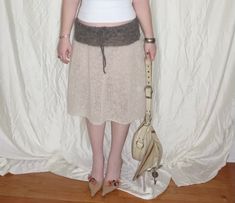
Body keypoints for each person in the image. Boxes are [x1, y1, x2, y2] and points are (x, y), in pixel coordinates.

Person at [57, 0, 156, 197]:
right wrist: (64, 36)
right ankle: (97, 161)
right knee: (93, 103)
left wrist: (150, 38)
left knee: (122, 102)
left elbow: (141, 1)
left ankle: (114, 160)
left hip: (125, 40)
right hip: (87, 40)